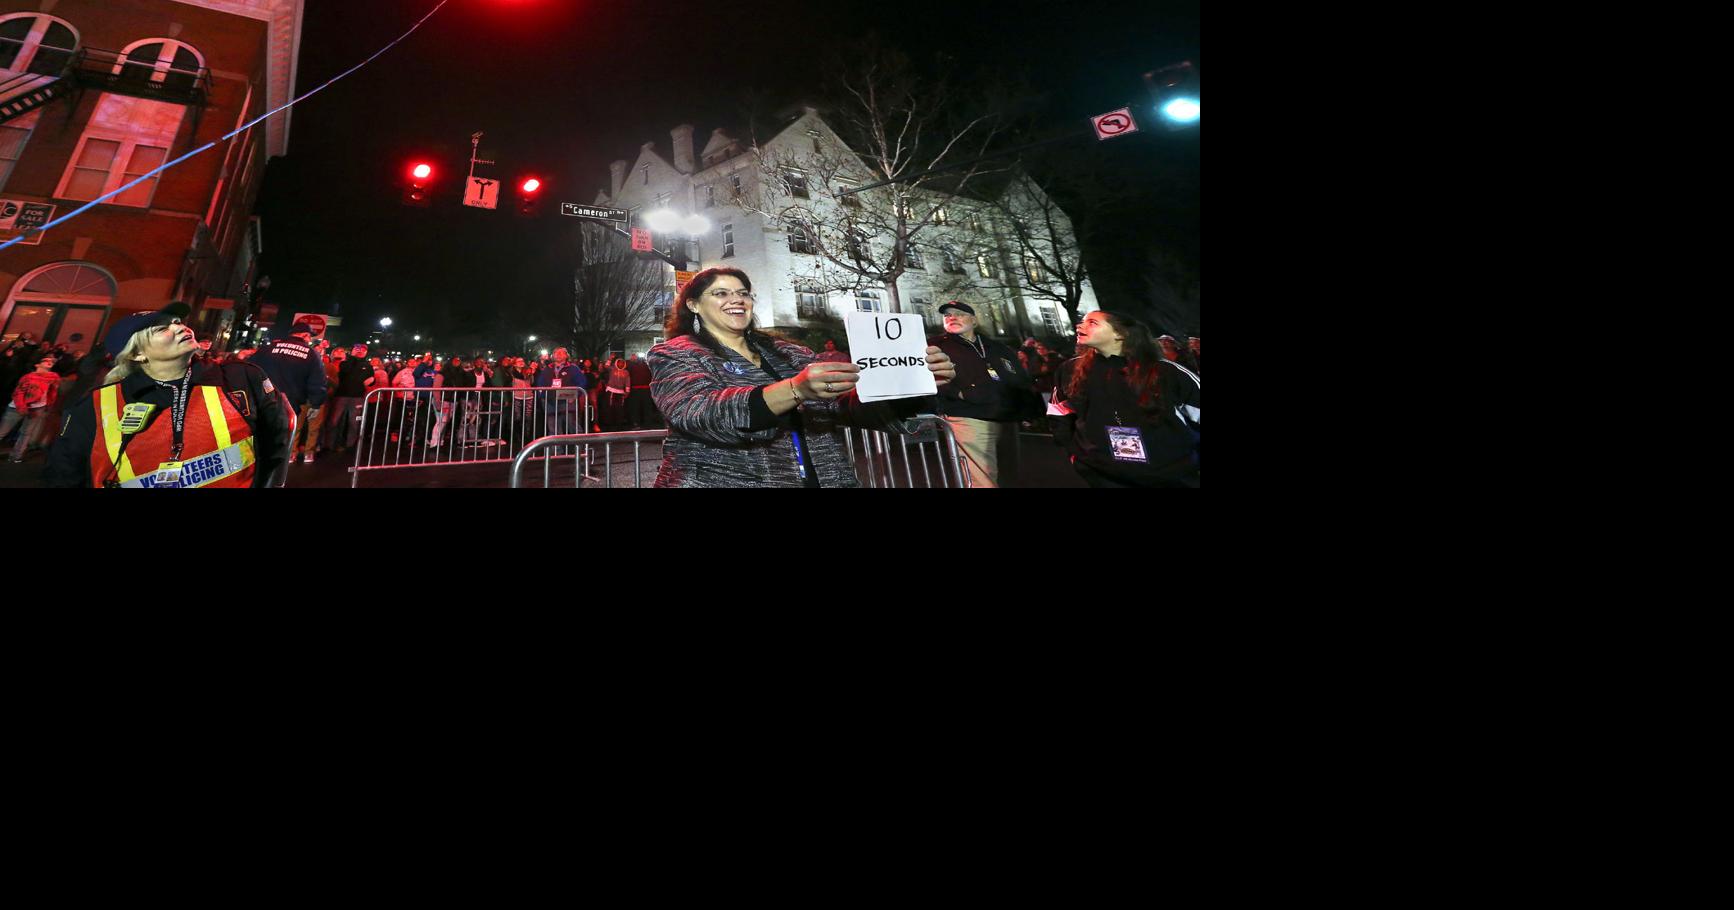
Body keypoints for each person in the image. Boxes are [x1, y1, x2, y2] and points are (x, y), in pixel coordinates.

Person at [648, 267, 955, 487]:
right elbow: (698, 413)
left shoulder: (790, 353)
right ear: (693, 304)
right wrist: (796, 389)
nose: (737, 299)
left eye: (743, 293)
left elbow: (842, 405)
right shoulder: (676, 354)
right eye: (721, 293)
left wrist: (913, 382)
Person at [43, 306, 290, 488]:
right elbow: (65, 473)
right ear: (137, 354)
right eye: (163, 328)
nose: (181, 327)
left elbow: (274, 446)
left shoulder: (240, 379)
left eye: (177, 321)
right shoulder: (95, 406)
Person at [1050, 311, 1200, 488]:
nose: (1079, 326)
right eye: (1083, 322)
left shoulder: (1167, 372)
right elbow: (1059, 411)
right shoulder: (1069, 370)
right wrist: (1076, 455)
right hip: (1103, 474)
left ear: (1120, 334)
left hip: (1169, 474)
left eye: (1092, 322)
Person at [929, 301, 1042, 488]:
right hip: (969, 417)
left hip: (1006, 418)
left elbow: (1020, 380)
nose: (952, 317)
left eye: (959, 313)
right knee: (982, 479)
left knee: (1009, 474)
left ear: (974, 320)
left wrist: (1026, 409)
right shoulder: (934, 346)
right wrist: (960, 393)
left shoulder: (998, 347)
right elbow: (926, 378)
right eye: (947, 315)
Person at [249, 319, 328, 465]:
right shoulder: (311, 354)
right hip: (289, 403)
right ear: (305, 335)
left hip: (262, 399)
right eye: (309, 336)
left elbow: (250, 368)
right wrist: (316, 404)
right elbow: (317, 382)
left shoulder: (269, 348)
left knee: (259, 436)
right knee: (280, 438)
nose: (310, 340)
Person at [2, 354, 60, 462]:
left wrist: (49, 404)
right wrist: (22, 408)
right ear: (37, 364)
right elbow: (18, 393)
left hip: (37, 408)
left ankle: (16, 456)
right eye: (45, 360)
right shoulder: (28, 377)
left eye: (51, 360)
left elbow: (52, 391)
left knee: (26, 433)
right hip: (17, 407)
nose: (49, 361)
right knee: (3, 431)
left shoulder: (54, 377)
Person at [327, 343, 374, 453]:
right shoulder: (345, 363)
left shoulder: (368, 365)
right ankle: (329, 444)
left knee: (354, 423)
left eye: (363, 350)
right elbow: (345, 371)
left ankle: (350, 445)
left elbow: (371, 379)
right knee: (334, 421)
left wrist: (372, 380)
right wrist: (353, 357)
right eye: (358, 349)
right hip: (341, 396)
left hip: (357, 397)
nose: (360, 351)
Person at [535, 348, 585, 436]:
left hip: (568, 401)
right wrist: (543, 397)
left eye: (561, 353)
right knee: (553, 429)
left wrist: (574, 396)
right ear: (552, 356)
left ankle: (580, 447)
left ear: (566, 356)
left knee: (573, 426)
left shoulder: (573, 368)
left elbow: (582, 383)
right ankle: (556, 449)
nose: (558, 354)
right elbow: (540, 383)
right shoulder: (547, 369)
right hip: (550, 402)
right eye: (556, 352)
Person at [626, 353, 656, 429]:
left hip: (646, 389)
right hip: (635, 390)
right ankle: (636, 423)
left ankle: (648, 424)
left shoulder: (648, 365)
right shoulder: (631, 365)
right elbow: (626, 371)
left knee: (647, 407)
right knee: (635, 408)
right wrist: (631, 360)